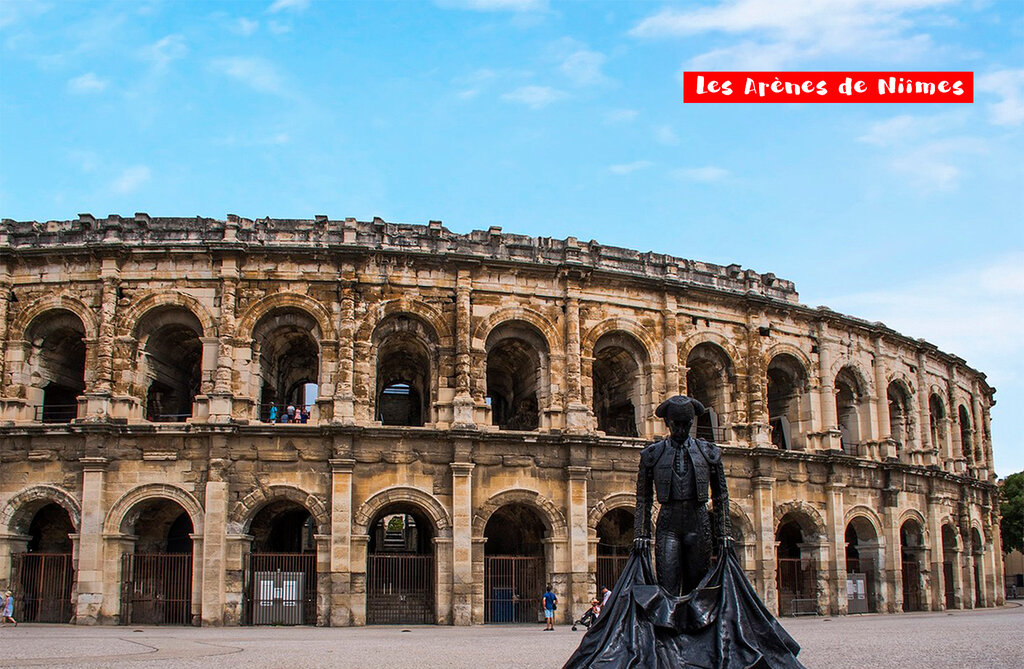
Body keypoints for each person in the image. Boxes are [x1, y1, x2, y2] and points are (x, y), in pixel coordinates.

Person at [634, 395, 731, 596]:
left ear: (691, 423)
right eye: (675, 425)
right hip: (668, 523)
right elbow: (643, 498)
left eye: (685, 424)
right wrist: (641, 533)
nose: (680, 430)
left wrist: (724, 532)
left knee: (697, 587)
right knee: (667, 584)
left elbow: (721, 496)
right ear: (667, 423)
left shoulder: (708, 452)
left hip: (699, 521)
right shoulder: (652, 454)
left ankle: (693, 617)